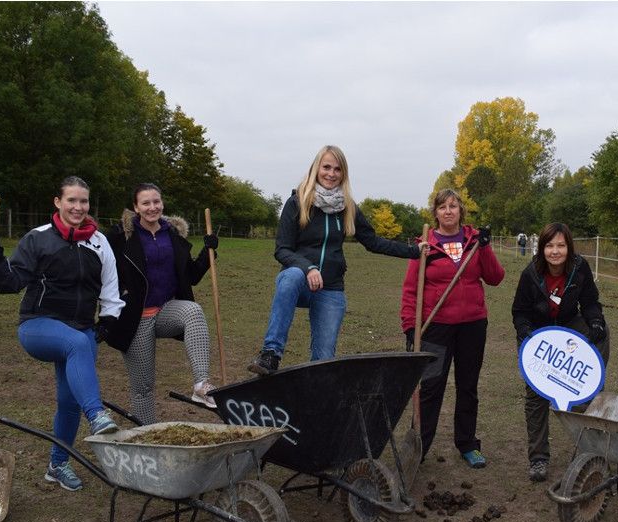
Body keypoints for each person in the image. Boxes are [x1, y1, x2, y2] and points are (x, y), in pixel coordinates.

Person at [0, 176, 124, 492]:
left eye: (83, 201)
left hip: (83, 332)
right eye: (71, 200)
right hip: (38, 326)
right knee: (75, 343)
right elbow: (9, 283)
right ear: (58, 202)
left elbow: (111, 289)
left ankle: (58, 465)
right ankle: (98, 415)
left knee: (69, 402)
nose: (78, 207)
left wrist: (109, 320)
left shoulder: (99, 242)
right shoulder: (38, 238)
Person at [248, 145, 422, 375]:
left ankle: (312, 397)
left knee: (323, 362)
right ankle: (271, 354)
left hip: (330, 287)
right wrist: (308, 267)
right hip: (299, 282)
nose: (331, 174)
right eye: (326, 167)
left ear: (343, 174)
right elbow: (282, 249)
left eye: (337, 169)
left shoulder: (347, 207)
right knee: (289, 276)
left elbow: (373, 241)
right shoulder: (297, 203)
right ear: (316, 168)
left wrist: (414, 251)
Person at [400, 189, 505, 468]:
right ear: (435, 213)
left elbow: (495, 278)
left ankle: (468, 444)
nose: (448, 211)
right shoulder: (425, 245)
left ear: (461, 211)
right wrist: (411, 326)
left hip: (472, 325)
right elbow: (411, 290)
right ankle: (419, 446)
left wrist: (484, 246)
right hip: (435, 328)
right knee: (431, 387)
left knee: (468, 386)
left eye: (453, 206)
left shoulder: (473, 242)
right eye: (442, 207)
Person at [104, 183, 219, 425]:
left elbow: (191, 276)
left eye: (156, 202)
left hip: (166, 311)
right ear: (136, 207)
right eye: (145, 203)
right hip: (135, 319)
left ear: (162, 203)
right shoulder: (119, 237)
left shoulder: (173, 235)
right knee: (143, 387)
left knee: (193, 311)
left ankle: (201, 384)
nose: (152, 207)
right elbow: (101, 271)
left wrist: (207, 253)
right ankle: (147, 436)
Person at [511, 222, 610, 482]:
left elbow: (589, 303)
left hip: (568, 326)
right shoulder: (530, 273)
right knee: (535, 396)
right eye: (550, 246)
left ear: (569, 247)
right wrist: (524, 332)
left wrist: (596, 321)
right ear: (542, 248)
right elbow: (519, 311)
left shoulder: (580, 268)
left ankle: (590, 384)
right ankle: (538, 459)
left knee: (600, 335)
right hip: (540, 332)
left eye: (561, 245)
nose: (555, 251)